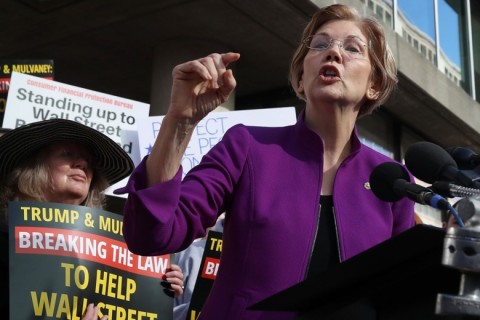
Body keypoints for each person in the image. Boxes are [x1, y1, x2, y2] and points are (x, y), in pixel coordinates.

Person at [116, 4, 415, 320]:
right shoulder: (247, 146)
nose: (334, 54)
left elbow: (398, 297)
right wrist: (180, 119)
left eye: (352, 48)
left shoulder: (391, 179)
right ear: (301, 78)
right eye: (321, 45)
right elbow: (152, 235)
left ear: (374, 85)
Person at [0, 119, 184, 319]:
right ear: (34, 166)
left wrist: (156, 286)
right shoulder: (5, 239)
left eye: (89, 161)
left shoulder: (119, 243)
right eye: (68, 153)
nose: (83, 164)